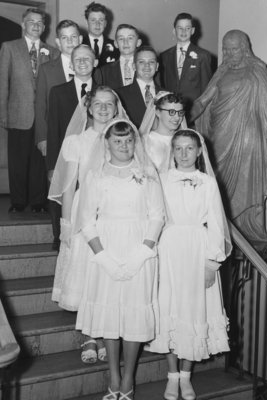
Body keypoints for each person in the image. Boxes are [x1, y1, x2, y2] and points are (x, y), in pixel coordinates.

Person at [75, 119, 165, 399]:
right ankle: (114, 375)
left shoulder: (146, 172)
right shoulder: (96, 176)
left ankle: (128, 378)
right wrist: (103, 257)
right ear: (107, 143)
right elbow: (86, 220)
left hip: (141, 248)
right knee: (110, 314)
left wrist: (142, 253)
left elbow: (157, 216)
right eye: (118, 141)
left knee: (134, 314)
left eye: (128, 141)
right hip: (106, 249)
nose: (124, 146)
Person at [146, 129, 232, 400]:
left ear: (198, 151)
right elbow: (153, 216)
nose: (184, 154)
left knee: (194, 310)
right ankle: (172, 376)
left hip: (197, 249)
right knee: (170, 308)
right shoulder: (160, 179)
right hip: (169, 247)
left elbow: (217, 222)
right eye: (179, 148)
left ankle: (186, 376)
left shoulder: (206, 182)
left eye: (189, 148)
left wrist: (211, 262)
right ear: (173, 151)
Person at [192, 29, 267, 258]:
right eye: (226, 49)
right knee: (219, 184)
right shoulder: (221, 71)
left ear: (244, 48)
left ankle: (252, 233)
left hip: (249, 140)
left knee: (249, 186)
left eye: (234, 49)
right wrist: (185, 113)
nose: (229, 53)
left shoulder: (257, 70)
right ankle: (221, 229)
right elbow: (203, 100)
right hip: (220, 136)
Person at [49, 86, 128, 364]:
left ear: (117, 108)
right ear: (89, 107)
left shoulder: (124, 138)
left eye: (109, 104)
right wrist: (68, 225)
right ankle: (89, 336)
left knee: (106, 275)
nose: (104, 109)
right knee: (86, 273)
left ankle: (107, 330)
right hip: (86, 213)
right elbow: (69, 187)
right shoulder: (76, 141)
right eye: (98, 104)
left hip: (117, 214)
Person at [0, 8, 59, 213]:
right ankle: (19, 201)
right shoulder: (9, 48)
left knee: (40, 160)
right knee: (18, 159)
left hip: (44, 116)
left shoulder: (52, 51)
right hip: (18, 113)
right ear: (23, 25)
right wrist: (2, 113)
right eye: (32, 22)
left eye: (40, 22)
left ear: (44, 26)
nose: (36, 26)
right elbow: (1, 83)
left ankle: (39, 201)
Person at [35, 19, 81, 249]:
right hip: (57, 137)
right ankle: (58, 235)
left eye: (74, 37)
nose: (70, 42)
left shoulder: (90, 65)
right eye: (65, 38)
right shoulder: (47, 69)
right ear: (57, 42)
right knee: (57, 184)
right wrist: (43, 138)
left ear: (80, 39)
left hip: (84, 140)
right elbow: (40, 106)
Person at [46, 45, 97, 182]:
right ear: (71, 64)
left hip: (96, 158)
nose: (82, 62)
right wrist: (52, 166)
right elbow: (53, 131)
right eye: (77, 59)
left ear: (95, 62)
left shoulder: (104, 92)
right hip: (67, 158)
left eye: (86, 58)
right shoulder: (58, 92)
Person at [159, 13, 212, 120]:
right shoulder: (165, 56)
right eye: (180, 28)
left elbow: (206, 91)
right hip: (171, 113)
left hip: (193, 114)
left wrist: (195, 113)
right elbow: (163, 87)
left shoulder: (202, 55)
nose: (183, 32)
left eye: (187, 28)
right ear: (174, 31)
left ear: (192, 31)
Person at [139, 91, 187, 171]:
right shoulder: (145, 141)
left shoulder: (186, 140)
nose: (177, 117)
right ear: (158, 112)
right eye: (171, 112)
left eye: (180, 112)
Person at [116, 45, 162, 128]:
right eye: (141, 62)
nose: (147, 65)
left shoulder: (166, 94)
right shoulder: (120, 95)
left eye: (151, 62)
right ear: (134, 66)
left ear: (157, 66)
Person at [96, 24, 142, 90]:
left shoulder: (147, 67)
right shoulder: (104, 71)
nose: (125, 42)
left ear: (138, 42)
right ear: (116, 44)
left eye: (130, 38)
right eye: (121, 38)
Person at [82, 2, 119, 67]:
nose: (97, 24)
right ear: (87, 22)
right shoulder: (80, 44)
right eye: (93, 20)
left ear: (105, 23)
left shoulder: (115, 46)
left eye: (101, 20)